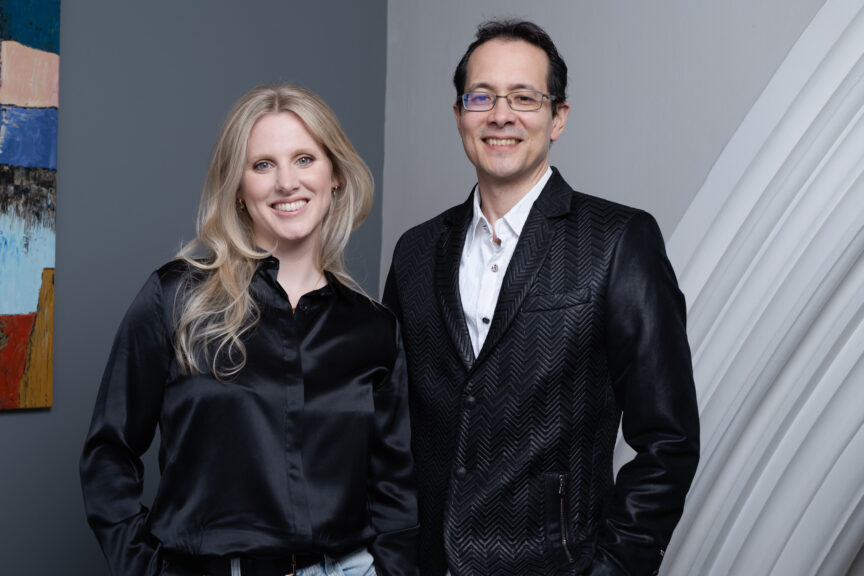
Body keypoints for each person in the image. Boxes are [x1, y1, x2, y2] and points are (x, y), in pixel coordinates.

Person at [383, 19, 699, 576]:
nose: (500, 115)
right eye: (481, 97)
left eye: (524, 97)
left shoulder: (618, 240)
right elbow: (391, 433)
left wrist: (615, 568)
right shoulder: (415, 251)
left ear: (558, 118)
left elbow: (667, 440)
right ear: (459, 116)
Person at [81, 84, 419, 576]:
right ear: (238, 187)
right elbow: (107, 454)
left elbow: (396, 494)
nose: (286, 182)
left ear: (336, 175)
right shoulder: (176, 298)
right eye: (263, 165)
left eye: (304, 159)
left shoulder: (374, 327)